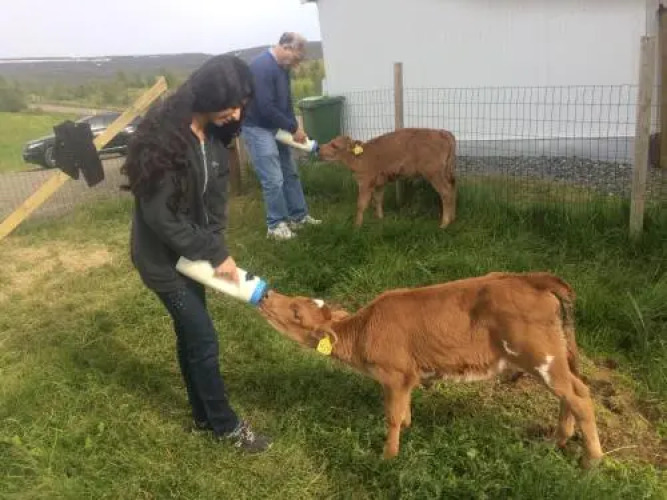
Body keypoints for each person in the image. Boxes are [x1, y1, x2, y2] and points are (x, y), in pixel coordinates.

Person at [121, 54, 271, 453]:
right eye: (230, 105)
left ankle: (203, 417)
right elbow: (161, 218)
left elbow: (216, 202)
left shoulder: (217, 136)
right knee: (203, 338)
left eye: (241, 105)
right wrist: (213, 254)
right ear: (206, 96)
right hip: (162, 261)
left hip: (194, 261)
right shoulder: (164, 140)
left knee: (191, 335)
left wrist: (216, 248)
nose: (236, 113)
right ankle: (226, 427)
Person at [242, 32, 321, 241]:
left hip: (276, 127)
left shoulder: (282, 68)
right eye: (296, 58)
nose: (296, 64)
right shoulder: (261, 66)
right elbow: (266, 107)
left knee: (290, 172)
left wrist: (293, 127)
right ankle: (276, 226)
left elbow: (285, 102)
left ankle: (298, 217)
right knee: (273, 178)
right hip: (257, 127)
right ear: (286, 47)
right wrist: (293, 128)